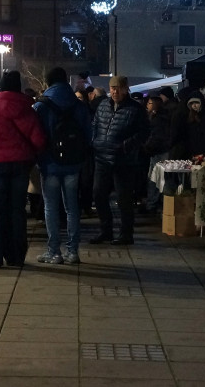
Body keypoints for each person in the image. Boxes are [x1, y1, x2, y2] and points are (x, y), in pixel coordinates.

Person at [0, 71, 46, 268]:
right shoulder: (28, 110)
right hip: (20, 166)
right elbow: (38, 139)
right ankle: (15, 257)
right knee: (17, 211)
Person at [33, 67, 93, 265]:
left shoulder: (41, 106)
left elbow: (35, 135)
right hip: (73, 163)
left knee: (51, 207)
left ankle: (54, 252)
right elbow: (88, 134)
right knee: (72, 207)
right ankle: (73, 251)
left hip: (49, 163)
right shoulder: (78, 104)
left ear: (48, 82)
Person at [89, 75, 150, 245]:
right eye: (112, 88)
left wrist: (126, 146)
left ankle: (126, 234)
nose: (115, 91)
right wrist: (95, 141)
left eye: (118, 88)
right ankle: (106, 230)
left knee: (124, 199)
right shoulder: (103, 106)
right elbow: (95, 125)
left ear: (125, 89)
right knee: (99, 195)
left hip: (123, 160)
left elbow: (144, 132)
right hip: (102, 157)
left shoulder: (135, 109)